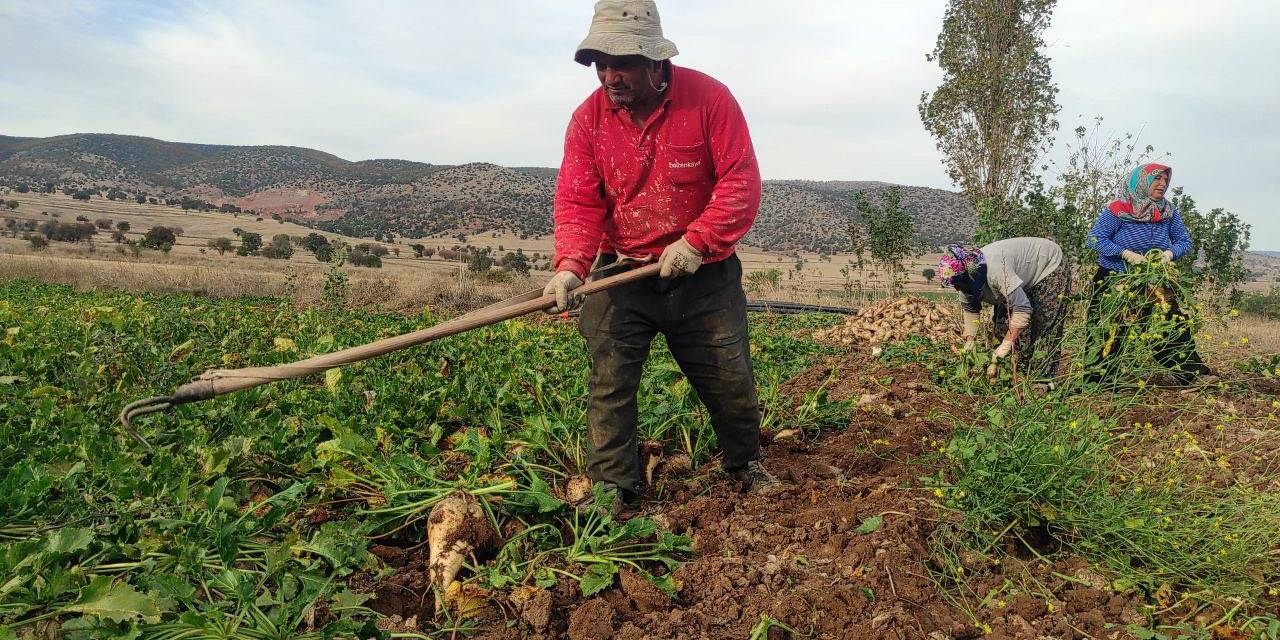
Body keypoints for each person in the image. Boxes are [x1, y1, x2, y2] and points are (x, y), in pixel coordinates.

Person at [542, 0, 779, 507]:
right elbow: (579, 200)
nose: (609, 76)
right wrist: (569, 267)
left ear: (655, 60)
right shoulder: (588, 122)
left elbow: (741, 182)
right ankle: (613, 489)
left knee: (729, 375)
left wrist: (698, 241)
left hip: (703, 274)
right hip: (622, 272)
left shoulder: (709, 100)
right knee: (610, 379)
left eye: (620, 63)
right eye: (600, 65)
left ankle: (744, 463)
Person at [1085, 163, 1210, 382]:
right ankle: (1098, 381)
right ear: (1142, 182)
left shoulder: (1167, 211)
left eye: (1165, 180)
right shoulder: (1117, 210)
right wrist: (1124, 253)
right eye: (1156, 179)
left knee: (1170, 324)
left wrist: (1169, 254)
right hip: (1116, 278)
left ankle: (1191, 374)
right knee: (1108, 329)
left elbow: (1184, 241)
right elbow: (1095, 239)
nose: (1162, 184)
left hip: (1154, 278)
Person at [938, 238, 1071, 379]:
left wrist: (1005, 345)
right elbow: (971, 310)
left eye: (957, 284)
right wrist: (970, 341)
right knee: (1002, 326)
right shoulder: (963, 283)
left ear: (968, 275)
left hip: (1047, 265)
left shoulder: (995, 271)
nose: (956, 288)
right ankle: (1011, 373)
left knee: (1043, 326)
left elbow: (1022, 308)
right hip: (1019, 274)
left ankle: (1043, 380)